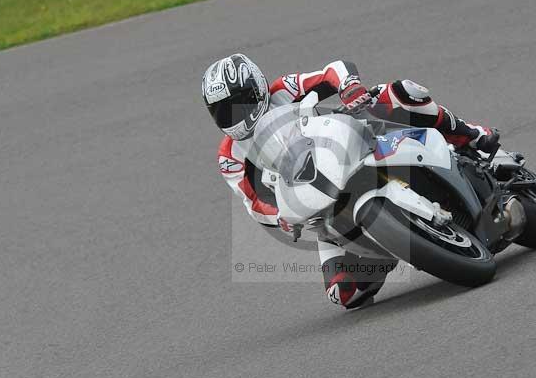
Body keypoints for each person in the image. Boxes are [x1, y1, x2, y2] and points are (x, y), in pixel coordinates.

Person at [202, 53, 499, 309]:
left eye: (238, 103)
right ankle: (389, 243)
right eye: (223, 111)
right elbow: (254, 201)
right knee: (343, 294)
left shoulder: (283, 88)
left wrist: (348, 86)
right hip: (320, 201)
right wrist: (278, 215)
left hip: (352, 142)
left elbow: (333, 70)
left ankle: (469, 134)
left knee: (399, 93)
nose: (234, 115)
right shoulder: (229, 155)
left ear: (256, 88)